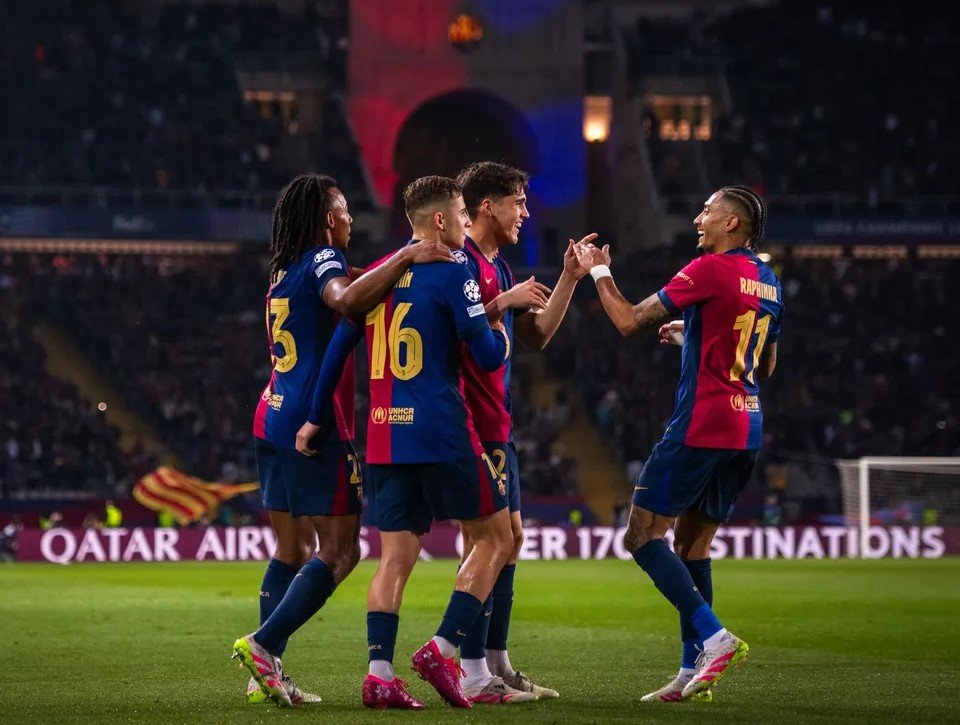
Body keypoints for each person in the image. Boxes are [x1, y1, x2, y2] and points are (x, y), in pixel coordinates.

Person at [232, 173, 453, 707]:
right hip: (316, 421)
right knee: (339, 552)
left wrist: (395, 266)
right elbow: (347, 297)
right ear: (330, 218)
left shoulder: (282, 268)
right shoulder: (322, 260)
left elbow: (358, 284)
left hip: (271, 413)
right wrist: (406, 257)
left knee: (291, 548)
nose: (354, 219)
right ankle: (264, 646)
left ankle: (267, 672)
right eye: (347, 211)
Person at [301, 175, 514, 709]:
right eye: (463, 211)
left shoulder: (375, 275)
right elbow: (487, 357)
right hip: (441, 429)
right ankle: (443, 648)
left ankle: (378, 675)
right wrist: (503, 329)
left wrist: (314, 418)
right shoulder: (455, 269)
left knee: (394, 556)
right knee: (496, 538)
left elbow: (339, 346)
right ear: (439, 220)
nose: (468, 221)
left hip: (383, 434)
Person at [573, 185, 783, 702]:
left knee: (642, 534)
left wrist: (598, 271)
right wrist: (692, 338)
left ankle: (714, 637)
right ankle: (693, 671)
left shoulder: (709, 269)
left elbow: (627, 321)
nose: (698, 217)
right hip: (746, 426)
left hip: (702, 422)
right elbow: (765, 365)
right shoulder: (769, 281)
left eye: (707, 210)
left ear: (731, 224)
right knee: (693, 544)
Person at [452, 160, 596, 701]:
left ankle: (496, 661)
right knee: (484, 543)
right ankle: (470, 672)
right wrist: (497, 305)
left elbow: (534, 337)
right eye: (518, 201)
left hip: (499, 422)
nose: (526, 212)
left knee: (510, 541)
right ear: (487, 205)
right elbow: (443, 328)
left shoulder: (500, 266)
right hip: (467, 421)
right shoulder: (457, 261)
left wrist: (568, 278)